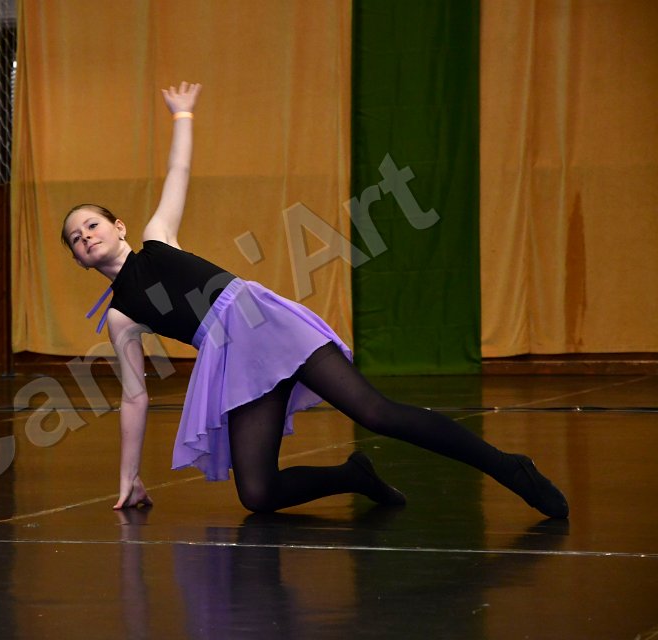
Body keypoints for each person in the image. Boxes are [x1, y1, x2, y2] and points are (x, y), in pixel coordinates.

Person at [60, 82, 569, 519]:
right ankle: (354, 476)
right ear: (80, 261)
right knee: (258, 494)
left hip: (265, 323)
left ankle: (509, 467)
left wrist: (183, 115)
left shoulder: (158, 238)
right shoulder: (121, 316)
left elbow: (179, 171)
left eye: (92, 225)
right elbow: (135, 398)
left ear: (118, 226)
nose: (86, 237)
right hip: (235, 362)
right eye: (76, 239)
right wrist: (129, 478)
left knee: (376, 413)